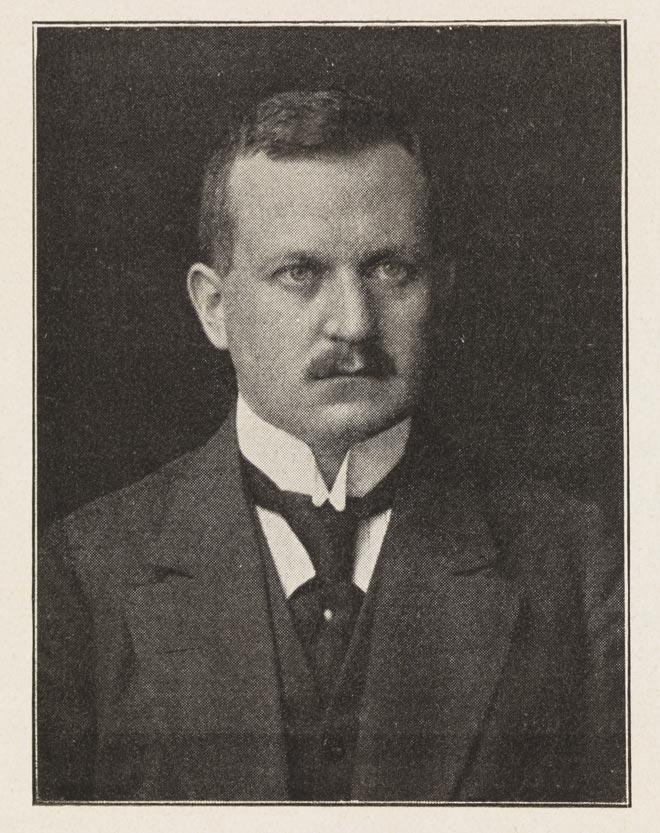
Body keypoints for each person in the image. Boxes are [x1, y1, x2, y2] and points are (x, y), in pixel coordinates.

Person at [37, 89, 625, 803]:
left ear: (439, 287)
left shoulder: (578, 565)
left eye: (389, 270)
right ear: (214, 306)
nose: (353, 322)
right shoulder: (73, 579)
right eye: (301, 273)